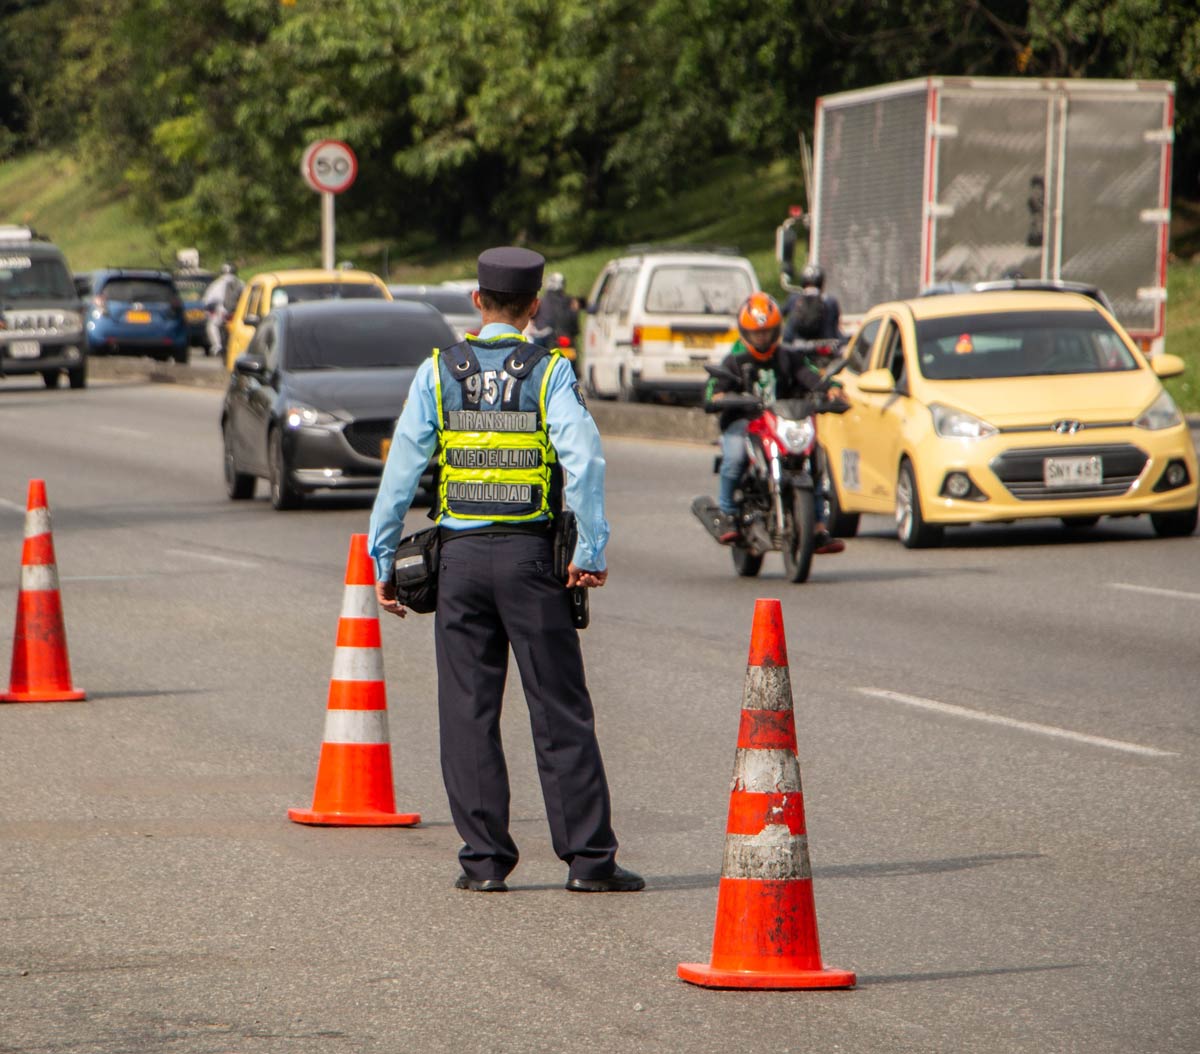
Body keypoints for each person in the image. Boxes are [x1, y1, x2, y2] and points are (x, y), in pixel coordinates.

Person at [368, 246, 643, 895]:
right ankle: (588, 861)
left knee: (467, 711)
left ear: (476, 302)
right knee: (559, 709)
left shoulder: (440, 371)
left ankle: (485, 862)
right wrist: (590, 550)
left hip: (458, 564)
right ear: (536, 305)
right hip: (529, 562)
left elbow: (402, 472)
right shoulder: (547, 371)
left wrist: (385, 557)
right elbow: (586, 463)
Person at [706, 291, 845, 554]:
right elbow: (715, 386)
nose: (761, 338)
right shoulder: (735, 360)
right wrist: (719, 396)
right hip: (745, 424)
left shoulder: (788, 357)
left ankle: (816, 526)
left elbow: (811, 375)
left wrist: (831, 389)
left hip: (782, 423)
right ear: (745, 332)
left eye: (767, 332)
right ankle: (726, 513)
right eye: (756, 333)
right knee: (734, 457)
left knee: (815, 455)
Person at [528, 271, 580, 376]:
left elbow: (532, 317)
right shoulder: (570, 301)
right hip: (565, 336)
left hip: (546, 337)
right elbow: (574, 321)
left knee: (533, 357)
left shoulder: (541, 301)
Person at [783, 263, 842, 343]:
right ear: (822, 284)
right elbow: (835, 329)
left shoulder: (793, 299)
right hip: (823, 347)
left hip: (795, 347)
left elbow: (779, 314)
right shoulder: (831, 302)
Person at [201, 263, 243, 359]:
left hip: (221, 312)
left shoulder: (217, 284)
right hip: (238, 312)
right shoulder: (241, 283)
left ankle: (217, 346)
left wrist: (209, 310)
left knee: (212, 325)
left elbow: (207, 300)